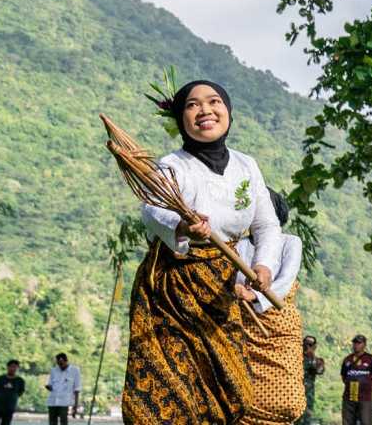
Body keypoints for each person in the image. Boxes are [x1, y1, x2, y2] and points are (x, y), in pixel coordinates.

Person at [124, 79, 284, 424]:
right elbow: (153, 210)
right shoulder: (171, 165)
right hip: (172, 289)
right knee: (174, 391)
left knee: (232, 390)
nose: (205, 111)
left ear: (228, 110)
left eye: (213, 102)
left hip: (221, 288)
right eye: (192, 105)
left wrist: (264, 266)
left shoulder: (246, 165)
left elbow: (266, 225)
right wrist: (182, 226)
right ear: (181, 119)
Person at [236, 190, 310, 425]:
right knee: (238, 394)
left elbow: (285, 281)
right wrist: (238, 290)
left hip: (277, 322)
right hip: (243, 323)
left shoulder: (290, 242)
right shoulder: (236, 245)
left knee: (286, 398)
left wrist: (256, 295)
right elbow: (231, 279)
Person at [339, 334, 372, 425]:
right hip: (349, 397)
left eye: (359, 343)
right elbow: (343, 376)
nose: (356, 345)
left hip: (365, 397)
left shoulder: (371, 359)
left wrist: (369, 386)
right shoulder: (347, 359)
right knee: (347, 422)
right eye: (355, 343)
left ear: (364, 345)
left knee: (366, 422)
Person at [47, 352, 81, 425]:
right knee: (52, 422)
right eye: (58, 364)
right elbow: (50, 385)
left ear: (66, 361)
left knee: (63, 421)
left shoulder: (75, 370)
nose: (60, 366)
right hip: (53, 400)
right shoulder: (54, 370)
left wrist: (75, 405)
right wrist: (49, 387)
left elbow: (77, 389)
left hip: (65, 401)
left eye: (61, 363)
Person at [0, 360, 25, 425]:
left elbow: (20, 392)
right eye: (11, 366)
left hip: (10, 407)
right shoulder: (0, 379)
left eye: (15, 367)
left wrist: (12, 397)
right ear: (7, 367)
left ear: (17, 368)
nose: (13, 369)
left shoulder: (20, 381)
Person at [301, 336, 326, 425]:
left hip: (307, 395)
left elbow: (320, 370)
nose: (307, 347)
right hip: (293, 394)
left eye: (310, 345)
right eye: (305, 344)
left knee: (306, 420)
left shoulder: (317, 360)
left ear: (314, 346)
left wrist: (312, 357)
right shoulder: (295, 359)